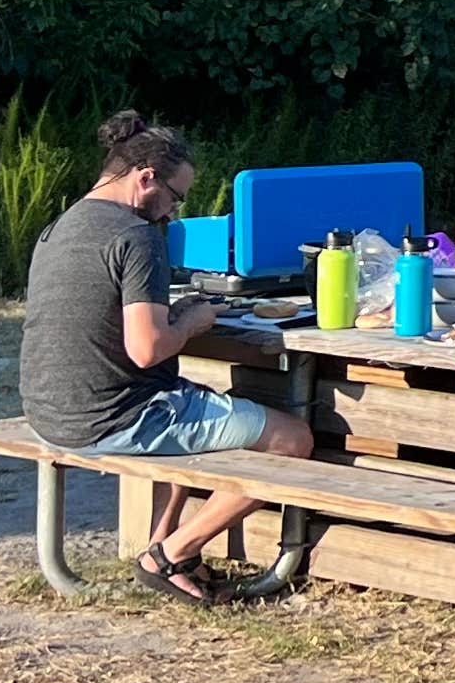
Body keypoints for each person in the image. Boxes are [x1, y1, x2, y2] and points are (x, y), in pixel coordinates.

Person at [23, 111, 312, 602]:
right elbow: (148, 348)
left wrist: (170, 315)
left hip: (50, 411)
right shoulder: (135, 237)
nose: (172, 214)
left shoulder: (60, 226)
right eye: (175, 198)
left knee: (188, 400)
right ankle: (171, 555)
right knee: (293, 439)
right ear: (145, 178)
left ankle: (161, 546)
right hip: (114, 416)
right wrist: (191, 322)